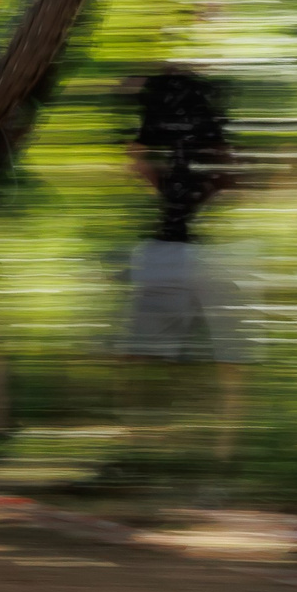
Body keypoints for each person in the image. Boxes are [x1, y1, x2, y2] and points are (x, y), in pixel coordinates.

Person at [117, 65, 249, 471]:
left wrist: (166, 192)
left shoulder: (158, 112)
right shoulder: (216, 123)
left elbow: (135, 161)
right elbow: (233, 178)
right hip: (219, 250)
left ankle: (138, 451)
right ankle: (220, 459)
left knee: (143, 358)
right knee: (226, 363)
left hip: (170, 245)